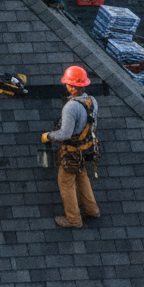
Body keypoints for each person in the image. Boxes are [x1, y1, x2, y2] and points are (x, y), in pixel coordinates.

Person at [41, 65, 101, 228]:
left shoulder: (71, 107)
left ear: (72, 87)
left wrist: (48, 136)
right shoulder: (92, 101)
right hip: (86, 149)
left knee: (66, 182)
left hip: (72, 153)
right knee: (82, 177)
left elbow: (65, 134)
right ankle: (92, 210)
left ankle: (74, 219)